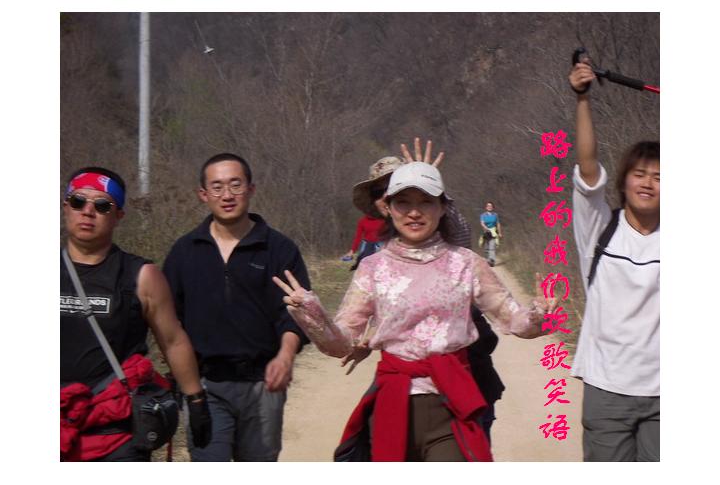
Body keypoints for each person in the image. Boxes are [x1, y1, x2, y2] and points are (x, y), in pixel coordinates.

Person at [274, 161, 556, 462]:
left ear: (443, 207)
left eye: (426, 202)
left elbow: (514, 319)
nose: (414, 212)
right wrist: (312, 314)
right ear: (388, 208)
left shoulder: (465, 263)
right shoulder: (373, 268)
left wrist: (540, 314)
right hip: (392, 402)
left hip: (451, 404)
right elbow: (342, 343)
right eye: (403, 203)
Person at [345, 139, 505, 442]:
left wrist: (431, 182)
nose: (409, 205)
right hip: (406, 376)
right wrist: (366, 337)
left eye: (419, 196)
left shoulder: (442, 237)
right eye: (384, 193)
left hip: (463, 364)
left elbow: (459, 237)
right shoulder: (377, 251)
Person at [163, 153, 311, 462]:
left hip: (263, 384)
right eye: (217, 187)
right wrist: (183, 380)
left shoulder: (279, 248)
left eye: (235, 185)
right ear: (203, 194)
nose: (227, 195)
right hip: (205, 386)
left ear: (251, 189)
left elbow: (296, 313)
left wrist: (285, 356)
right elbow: (168, 322)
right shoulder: (184, 252)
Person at [60, 167, 211, 462]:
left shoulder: (141, 275)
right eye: (78, 202)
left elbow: (173, 340)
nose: (88, 211)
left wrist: (196, 400)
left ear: (118, 215)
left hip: (117, 431)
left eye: (102, 206)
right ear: (66, 207)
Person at [569, 62, 660, 462]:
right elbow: (588, 169)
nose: (648, 183)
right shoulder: (599, 229)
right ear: (623, 180)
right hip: (607, 389)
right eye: (640, 174)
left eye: (660, 177)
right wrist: (583, 99)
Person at [479, 201, 502, 267]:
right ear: (486, 207)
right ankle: (488, 260)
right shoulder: (483, 215)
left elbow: (498, 224)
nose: (489, 207)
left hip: (493, 232)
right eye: (488, 206)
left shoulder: (495, 215)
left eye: (491, 206)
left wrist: (500, 232)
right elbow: (482, 223)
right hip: (486, 233)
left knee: (492, 247)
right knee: (486, 248)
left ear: (493, 207)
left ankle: (492, 260)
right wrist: (486, 228)